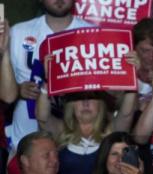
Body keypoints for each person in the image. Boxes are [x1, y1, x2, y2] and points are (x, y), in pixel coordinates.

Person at [2, 0, 90, 149]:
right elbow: (6, 93)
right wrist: (19, 90)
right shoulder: (18, 32)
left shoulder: (92, 34)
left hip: (79, 143)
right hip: (24, 140)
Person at [39, 92, 131, 174]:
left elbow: (126, 115)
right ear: (71, 105)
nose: (85, 103)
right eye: (79, 98)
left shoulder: (110, 134)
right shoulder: (60, 132)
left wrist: (131, 83)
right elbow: (42, 118)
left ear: (100, 105)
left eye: (91, 98)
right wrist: (46, 88)